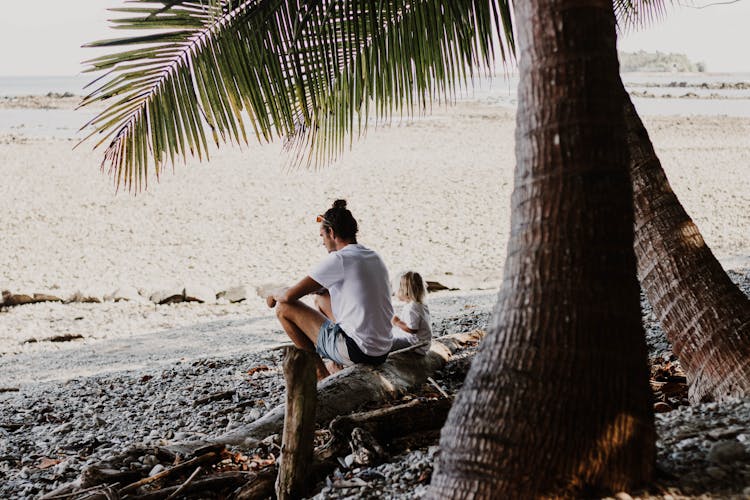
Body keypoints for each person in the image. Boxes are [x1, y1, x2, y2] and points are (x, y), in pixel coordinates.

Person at [266, 199, 394, 379]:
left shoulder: (339, 259)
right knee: (322, 297)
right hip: (381, 350)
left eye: (322, 236)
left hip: (359, 351)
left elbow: (288, 297)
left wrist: (272, 293)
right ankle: (336, 362)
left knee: (283, 308)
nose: (322, 242)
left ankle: (320, 374)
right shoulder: (373, 256)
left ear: (331, 233)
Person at [390, 271, 432, 355]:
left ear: (406, 292)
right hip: (422, 343)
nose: (395, 293)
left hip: (416, 345)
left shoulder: (413, 308)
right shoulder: (420, 304)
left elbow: (412, 329)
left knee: (387, 343)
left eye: (397, 290)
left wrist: (397, 322)